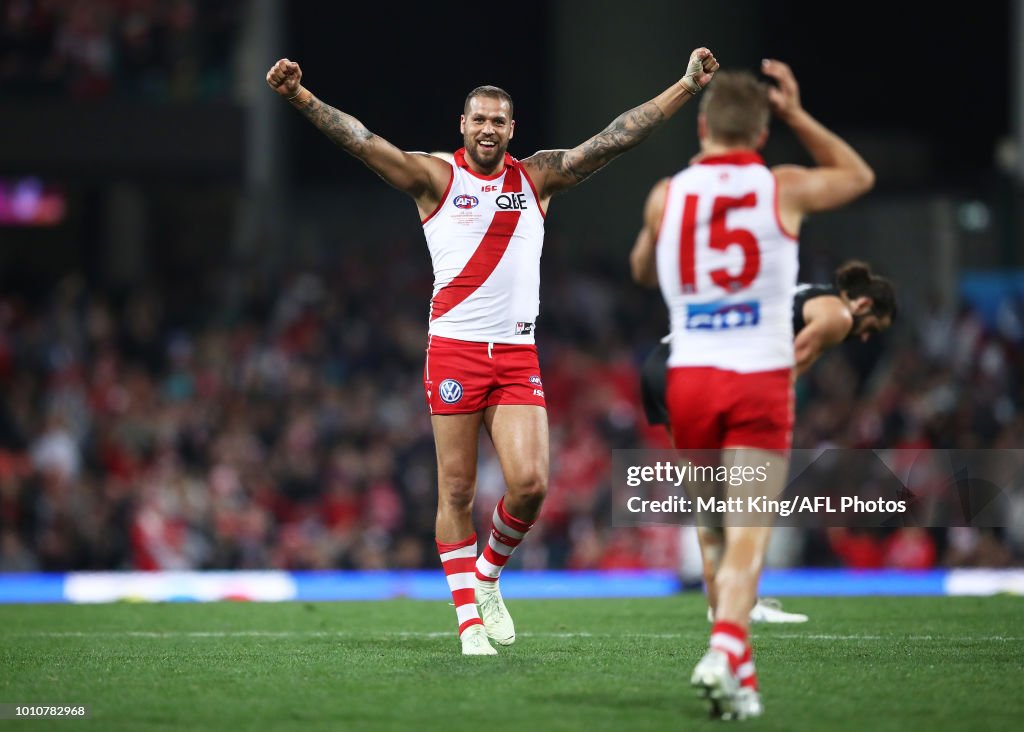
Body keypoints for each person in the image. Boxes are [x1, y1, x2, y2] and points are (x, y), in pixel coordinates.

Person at [266, 48, 720, 656]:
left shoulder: (536, 178)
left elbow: (615, 139)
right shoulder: (434, 178)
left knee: (530, 485)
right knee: (454, 494)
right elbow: (363, 141)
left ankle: (486, 577)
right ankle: (468, 625)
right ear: (463, 124)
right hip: (453, 353)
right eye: (478, 118)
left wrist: (686, 85)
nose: (487, 128)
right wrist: (301, 97)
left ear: (513, 128)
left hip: (514, 355)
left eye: (498, 121)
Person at [629, 60, 875, 719]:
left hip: (690, 377)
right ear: (761, 133)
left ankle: (736, 669)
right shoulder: (781, 185)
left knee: (712, 530)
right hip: (758, 378)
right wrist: (798, 113)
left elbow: (641, 270)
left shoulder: (665, 193)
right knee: (748, 532)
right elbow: (859, 175)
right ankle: (727, 642)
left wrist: (665, 231)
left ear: (703, 125)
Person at [634, 260, 897, 624]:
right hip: (695, 368)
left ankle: (724, 606)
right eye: (872, 327)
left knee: (710, 500)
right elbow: (788, 365)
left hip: (665, 362)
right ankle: (738, 605)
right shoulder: (838, 316)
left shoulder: (804, 292)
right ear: (864, 305)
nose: (865, 336)